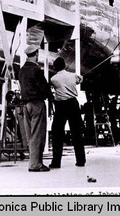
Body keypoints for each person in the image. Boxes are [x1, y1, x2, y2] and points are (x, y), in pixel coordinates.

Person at [18, 44, 54, 172]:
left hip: (25, 106)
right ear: (37, 55)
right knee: (38, 135)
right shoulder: (36, 70)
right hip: (37, 105)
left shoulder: (22, 70)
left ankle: (34, 162)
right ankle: (35, 164)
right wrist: (51, 97)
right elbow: (44, 89)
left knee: (30, 136)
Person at [48, 57, 86, 169]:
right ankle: (80, 160)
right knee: (77, 133)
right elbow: (80, 80)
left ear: (55, 67)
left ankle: (56, 162)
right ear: (65, 65)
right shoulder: (73, 76)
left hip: (61, 106)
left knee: (57, 133)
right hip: (73, 104)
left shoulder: (53, 79)